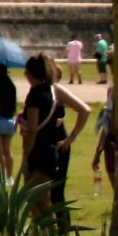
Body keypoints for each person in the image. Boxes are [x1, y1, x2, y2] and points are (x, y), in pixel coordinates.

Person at [19, 52, 90, 221]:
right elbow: (84, 110)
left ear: (29, 74)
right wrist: (71, 138)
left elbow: (32, 129)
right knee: (43, 199)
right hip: (52, 149)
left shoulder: (35, 95)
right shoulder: (53, 90)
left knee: (39, 202)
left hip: (38, 151)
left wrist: (25, 157)